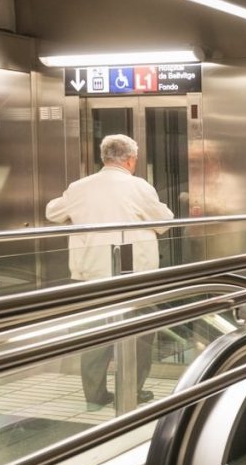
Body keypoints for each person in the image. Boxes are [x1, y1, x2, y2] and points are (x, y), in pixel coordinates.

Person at [45, 133, 174, 410]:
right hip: (135, 275)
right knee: (140, 334)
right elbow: (164, 221)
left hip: (89, 274)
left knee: (94, 335)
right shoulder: (138, 187)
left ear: (104, 158)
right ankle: (132, 390)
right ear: (130, 160)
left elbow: (52, 212)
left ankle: (95, 396)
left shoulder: (79, 187)